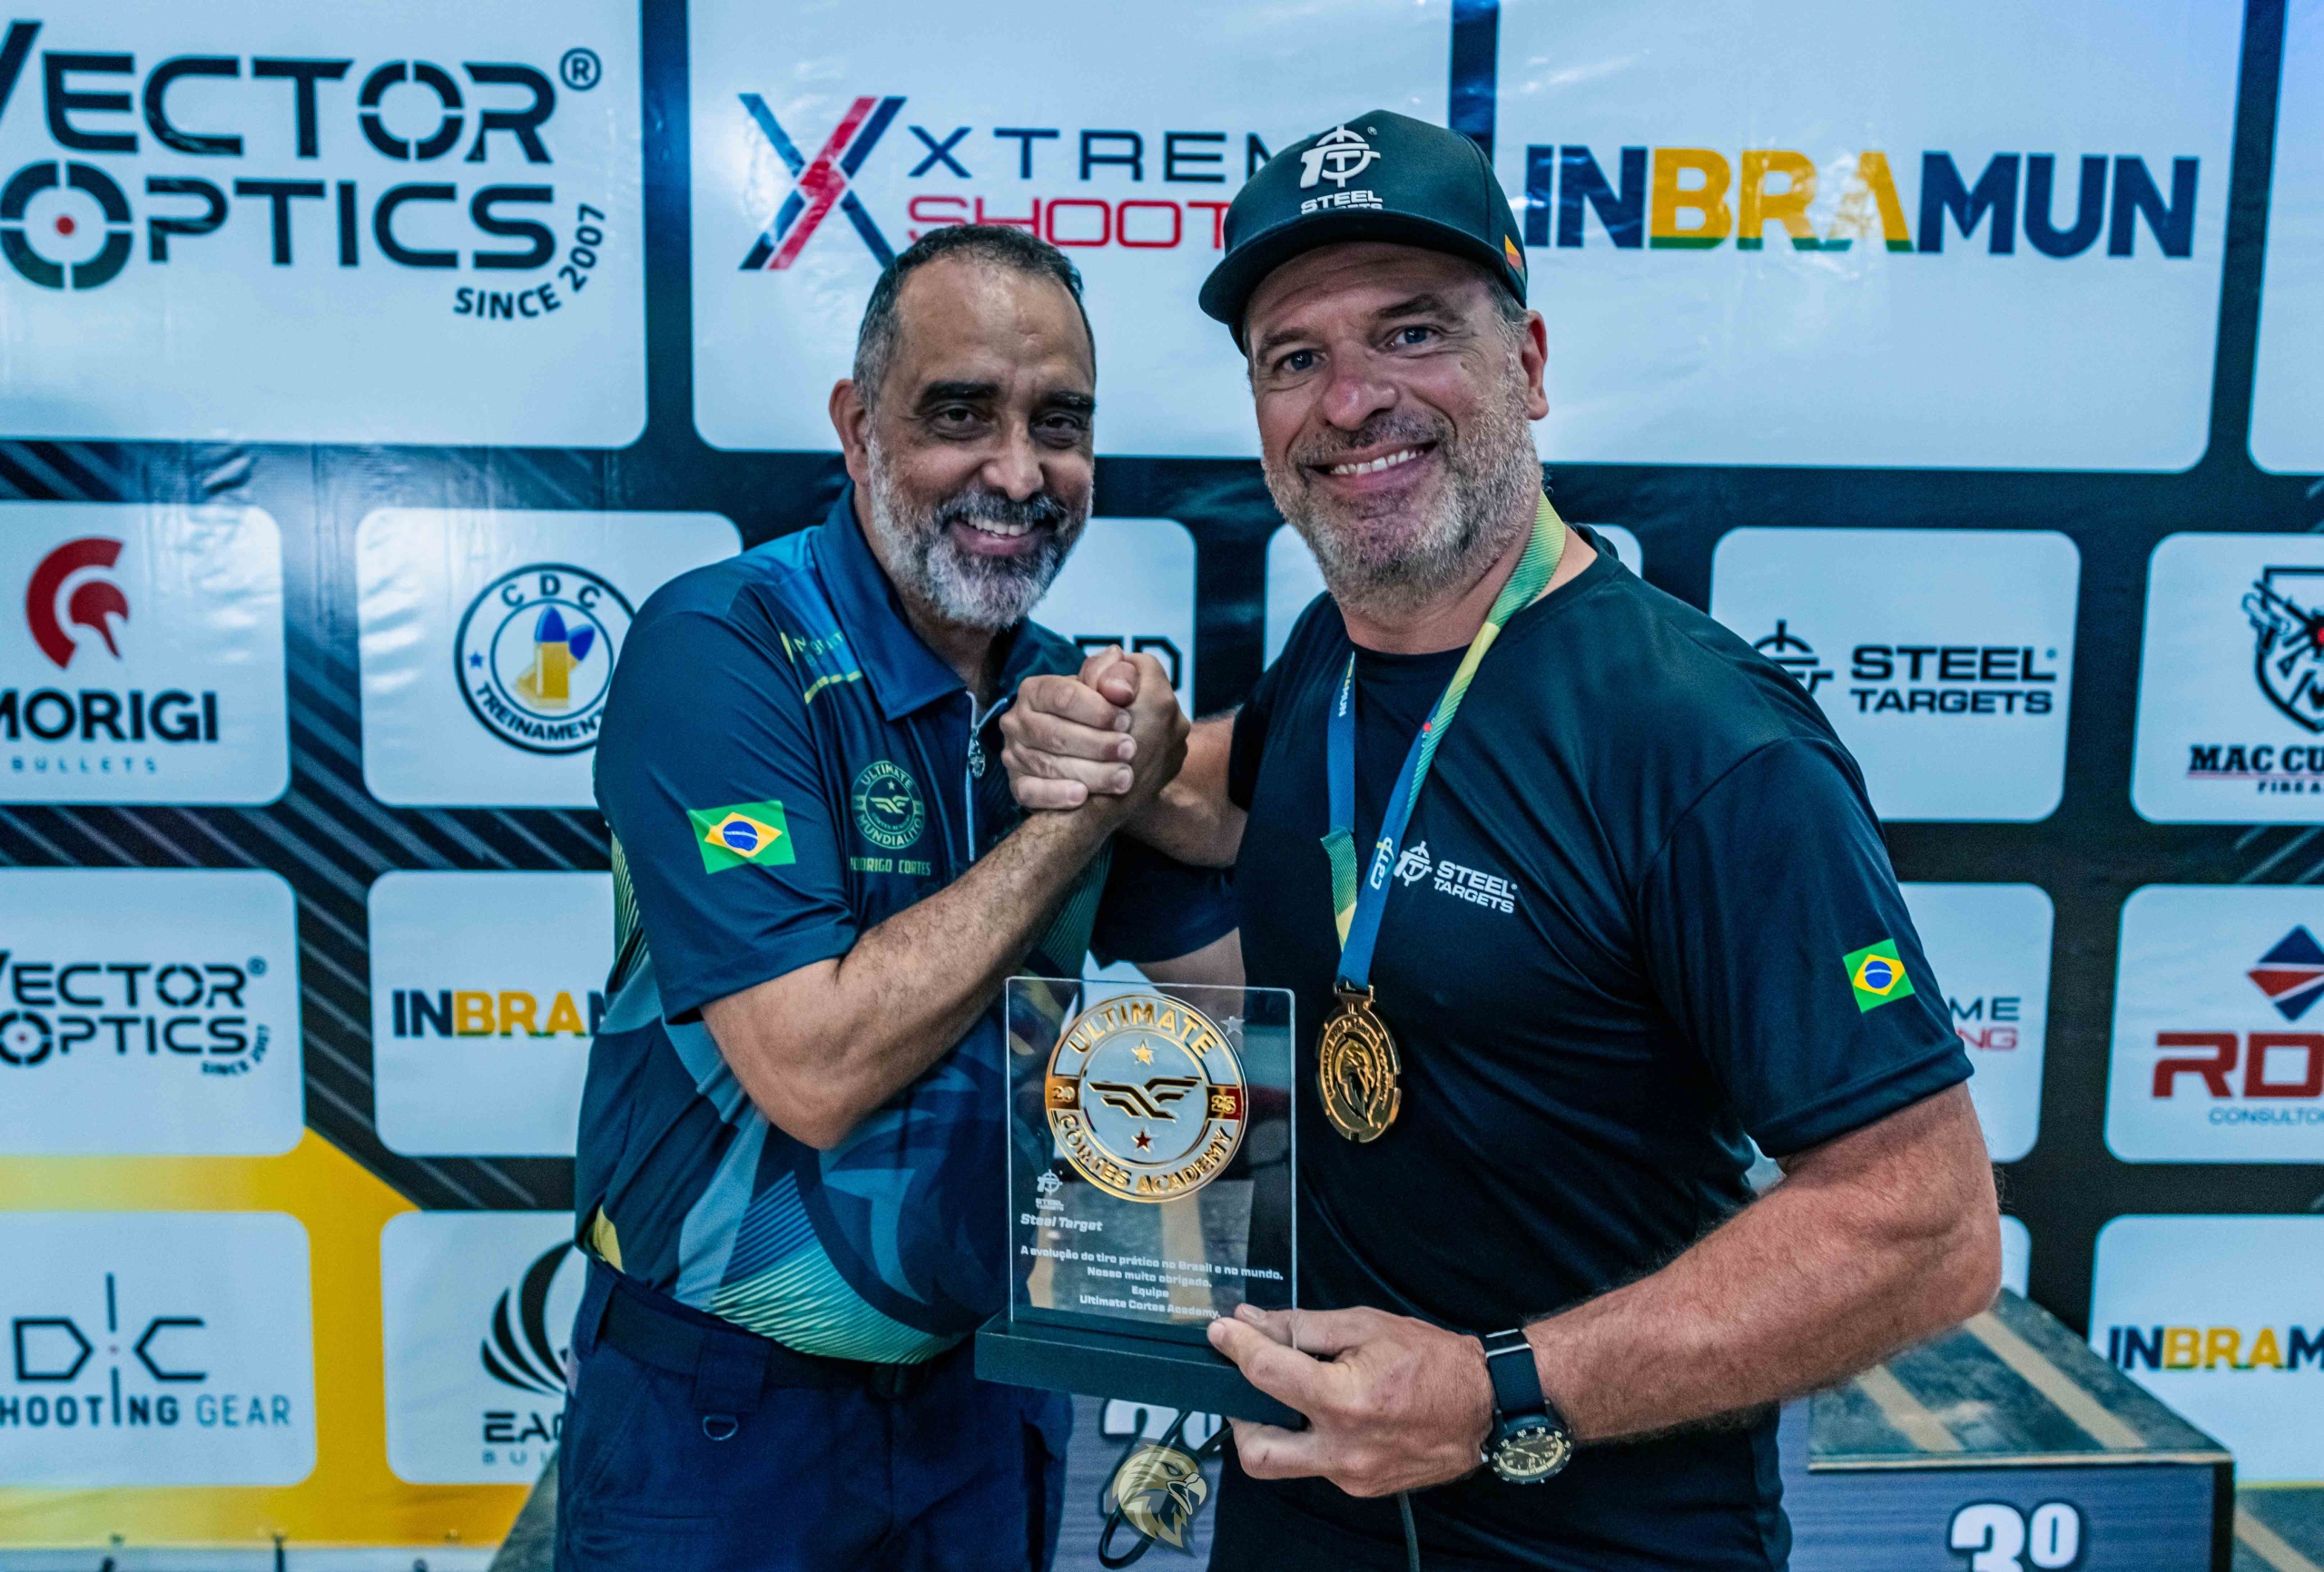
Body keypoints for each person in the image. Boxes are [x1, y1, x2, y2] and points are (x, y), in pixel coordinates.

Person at [999, 112, 2001, 1570]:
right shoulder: (1332, 657)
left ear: (1527, 365)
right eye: (1294, 358)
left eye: (1411, 333)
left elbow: (1928, 1228)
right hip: (1300, 1495)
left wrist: (1497, 1390)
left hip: (1593, 1536)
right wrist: (1121, 741)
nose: (1352, 401)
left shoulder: (1706, 745)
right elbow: (1241, 799)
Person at [556, 223, 1241, 1572]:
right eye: (959, 414)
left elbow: (1229, 998)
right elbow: (809, 1067)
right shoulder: (723, 646)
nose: (1019, 472)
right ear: (856, 425)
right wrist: (1088, 812)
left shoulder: (1069, 696)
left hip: (984, 1396)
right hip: (723, 1415)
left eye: (1060, 424)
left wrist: (1159, 773)